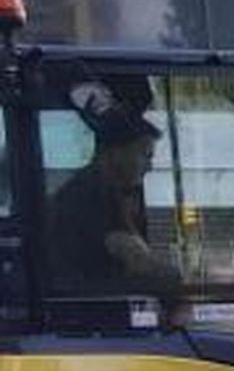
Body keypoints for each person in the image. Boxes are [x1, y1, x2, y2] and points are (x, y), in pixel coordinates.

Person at [47, 84, 183, 304]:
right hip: (90, 309)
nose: (150, 167)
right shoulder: (88, 197)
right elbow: (138, 261)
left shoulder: (109, 191)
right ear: (116, 152)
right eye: (145, 155)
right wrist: (184, 283)